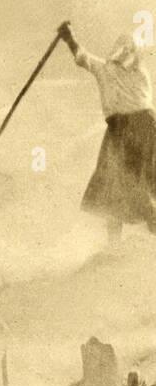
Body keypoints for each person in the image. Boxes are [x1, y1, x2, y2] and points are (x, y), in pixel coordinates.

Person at [58, 23, 156, 239]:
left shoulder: (110, 70)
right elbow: (85, 58)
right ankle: (123, 241)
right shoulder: (140, 72)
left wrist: (69, 38)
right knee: (136, 183)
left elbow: (82, 57)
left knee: (121, 183)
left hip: (126, 129)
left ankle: (124, 240)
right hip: (145, 126)